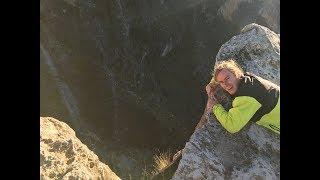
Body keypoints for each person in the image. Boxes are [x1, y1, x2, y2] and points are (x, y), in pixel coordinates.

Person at [196, 59, 280, 134]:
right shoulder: (246, 78)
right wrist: (212, 83)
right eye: (221, 82)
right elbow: (222, 75)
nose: (226, 84)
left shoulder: (246, 98)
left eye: (227, 78)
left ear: (236, 73)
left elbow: (232, 126)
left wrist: (215, 106)